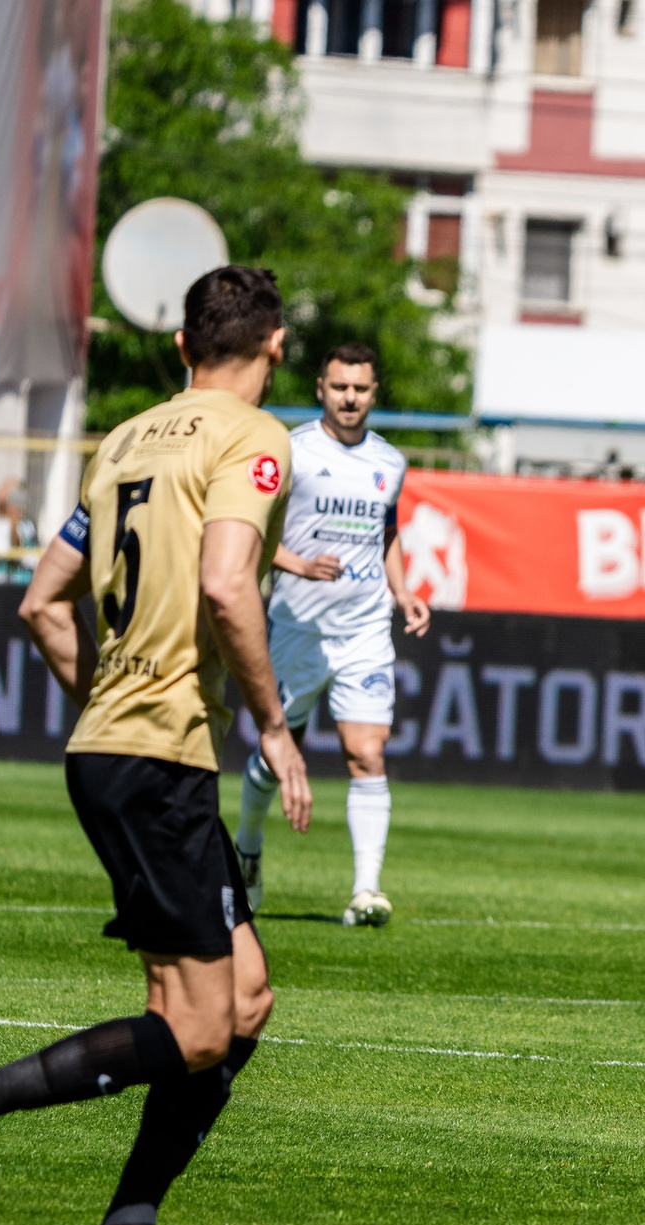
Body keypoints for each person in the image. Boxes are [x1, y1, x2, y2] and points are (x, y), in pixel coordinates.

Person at [0, 265, 310, 1225]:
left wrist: (107, 705)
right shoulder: (254, 439)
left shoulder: (126, 440)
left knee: (244, 1001)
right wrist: (275, 727)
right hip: (156, 754)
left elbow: (40, 603)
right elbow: (225, 580)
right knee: (196, 1026)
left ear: (180, 347)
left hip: (127, 744)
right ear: (277, 345)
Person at [234, 342, 423, 927]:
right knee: (274, 757)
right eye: (340, 387)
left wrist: (402, 589)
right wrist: (297, 565)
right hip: (297, 628)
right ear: (321, 387)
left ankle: (366, 890)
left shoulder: (390, 463)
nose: (350, 398)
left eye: (361, 389)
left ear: (373, 393)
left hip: (365, 630)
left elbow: (385, 533)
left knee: (367, 753)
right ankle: (246, 848)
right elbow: (253, 531)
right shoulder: (289, 452)